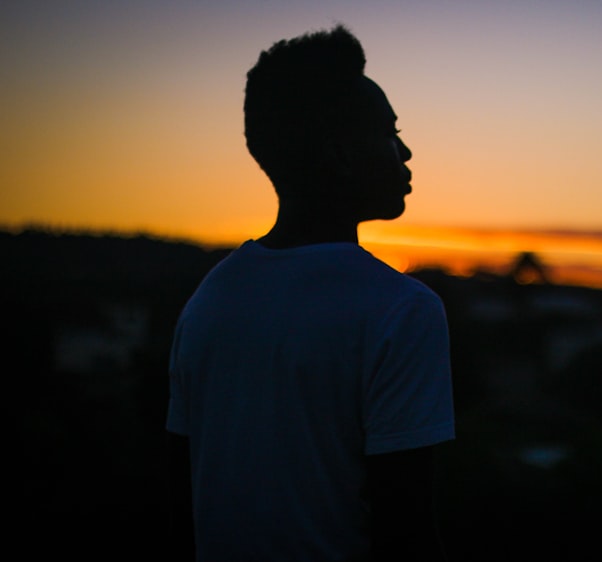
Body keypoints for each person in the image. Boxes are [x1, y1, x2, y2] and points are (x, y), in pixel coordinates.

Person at [166, 25, 455, 561]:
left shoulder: (209, 301)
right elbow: (406, 529)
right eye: (389, 134)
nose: (406, 151)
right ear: (343, 156)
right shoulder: (402, 310)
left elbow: (185, 499)